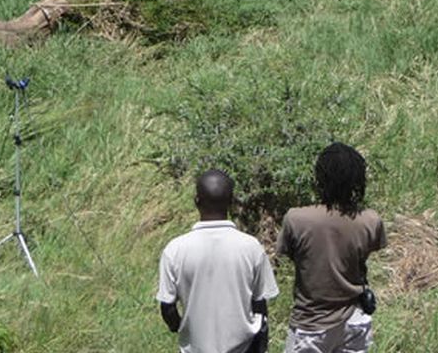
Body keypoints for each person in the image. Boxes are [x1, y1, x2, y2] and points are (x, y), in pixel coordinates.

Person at [277, 142, 387, 353]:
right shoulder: (370, 220)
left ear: (319, 178)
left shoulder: (296, 219)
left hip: (310, 323)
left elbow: (293, 256)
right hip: (354, 320)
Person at [158, 169, 279, 353]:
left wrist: (179, 327)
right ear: (231, 203)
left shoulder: (175, 250)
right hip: (244, 348)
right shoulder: (251, 247)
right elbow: (260, 305)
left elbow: (167, 307)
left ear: (196, 201)